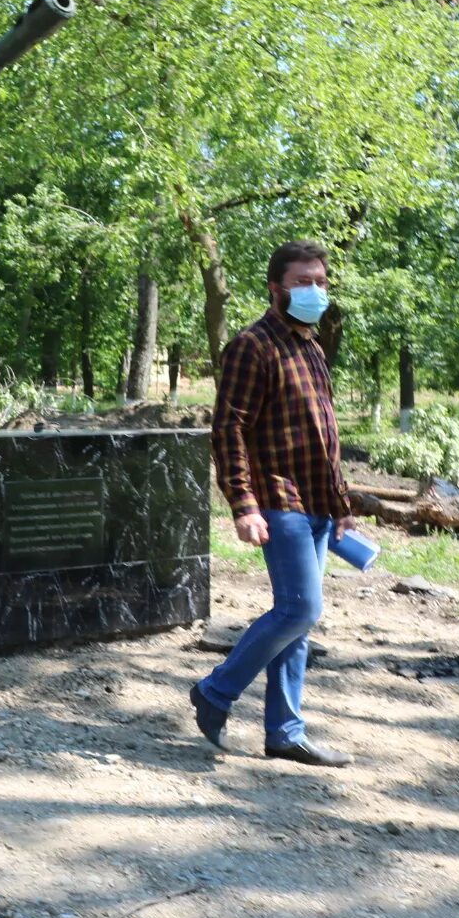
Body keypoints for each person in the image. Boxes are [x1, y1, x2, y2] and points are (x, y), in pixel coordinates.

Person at [190, 240, 355, 767]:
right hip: (278, 499)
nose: (313, 290)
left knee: (298, 623)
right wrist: (243, 503)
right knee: (300, 608)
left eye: (320, 281)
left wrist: (342, 501)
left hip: (318, 506)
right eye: (302, 282)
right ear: (276, 288)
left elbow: (324, 435)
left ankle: (284, 731)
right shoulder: (252, 345)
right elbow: (229, 428)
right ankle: (216, 691)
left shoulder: (311, 347)